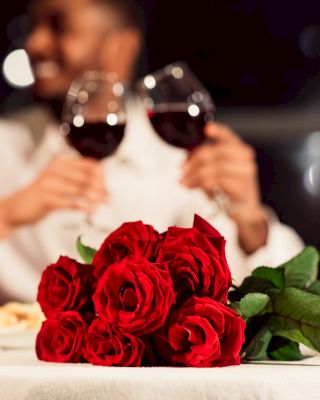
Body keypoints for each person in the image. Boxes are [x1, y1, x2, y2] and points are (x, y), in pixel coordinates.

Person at [0, 0, 303, 302]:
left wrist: (250, 223)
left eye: (58, 26)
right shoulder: (6, 145)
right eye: (32, 27)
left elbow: (291, 294)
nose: (34, 43)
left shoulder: (176, 159)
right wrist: (9, 214)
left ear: (121, 47)